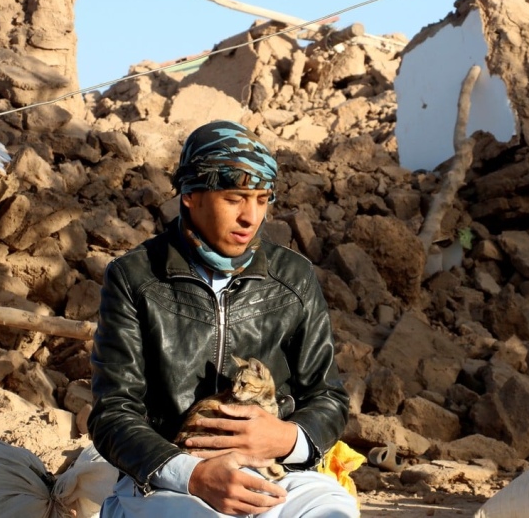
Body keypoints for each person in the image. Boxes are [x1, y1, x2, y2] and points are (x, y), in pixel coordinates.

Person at [88, 120, 356, 517]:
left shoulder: (293, 279)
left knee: (332, 510)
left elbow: (327, 396)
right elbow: (113, 412)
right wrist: (193, 474)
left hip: (277, 476)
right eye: (235, 198)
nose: (252, 217)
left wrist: (284, 437)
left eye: (262, 199)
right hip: (169, 481)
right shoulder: (135, 278)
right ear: (190, 196)